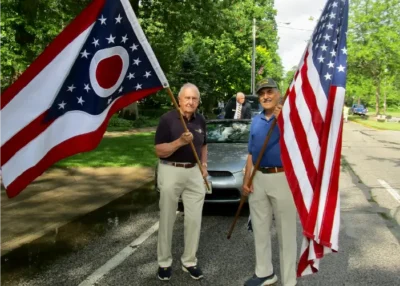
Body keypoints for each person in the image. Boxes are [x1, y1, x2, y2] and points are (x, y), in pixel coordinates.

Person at [242, 78, 297, 286]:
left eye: (269, 92)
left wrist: (286, 120)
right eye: (262, 93)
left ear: (278, 93)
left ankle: (289, 280)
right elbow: (250, 152)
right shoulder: (255, 120)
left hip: (282, 178)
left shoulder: (290, 117)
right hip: (258, 179)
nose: (265, 96)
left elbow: (300, 143)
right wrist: (247, 178)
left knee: (286, 232)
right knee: (260, 228)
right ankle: (265, 273)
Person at [154, 83, 208, 281]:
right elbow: (159, 150)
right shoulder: (167, 120)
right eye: (187, 98)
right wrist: (179, 142)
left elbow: (204, 145)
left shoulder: (201, 120)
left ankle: (189, 261)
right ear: (179, 100)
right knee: (168, 217)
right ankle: (164, 262)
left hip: (194, 172)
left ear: (198, 101)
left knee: (194, 220)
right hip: (170, 170)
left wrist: (204, 165)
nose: (190, 102)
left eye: (194, 99)